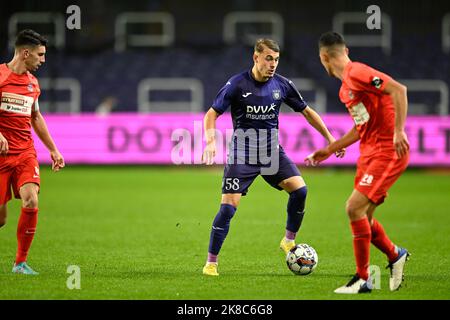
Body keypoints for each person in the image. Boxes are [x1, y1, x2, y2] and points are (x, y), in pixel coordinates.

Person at [201, 38, 345, 276]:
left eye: (276, 60)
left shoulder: (282, 85)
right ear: (256, 57)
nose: (273, 64)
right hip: (243, 155)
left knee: (300, 191)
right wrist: (210, 141)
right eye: (268, 58)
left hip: (271, 153)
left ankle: (288, 240)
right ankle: (211, 263)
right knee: (228, 208)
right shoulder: (236, 84)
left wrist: (331, 140)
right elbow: (211, 114)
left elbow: (308, 113)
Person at [306, 31, 410, 293]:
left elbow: (399, 89)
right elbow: (360, 128)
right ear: (346, 50)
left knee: (353, 208)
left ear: (324, 57)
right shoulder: (345, 88)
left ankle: (363, 279)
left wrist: (399, 130)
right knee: (365, 218)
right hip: (369, 153)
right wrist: (330, 149)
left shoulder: (358, 73)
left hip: (388, 151)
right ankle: (395, 254)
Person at [0, 29, 65, 275]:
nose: (43, 60)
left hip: (25, 153)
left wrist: (53, 149)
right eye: (40, 55)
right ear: (25, 53)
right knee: (1, 220)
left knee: (31, 199)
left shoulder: (32, 83)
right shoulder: (0, 76)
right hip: (1, 157)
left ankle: (20, 263)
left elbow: (35, 116)